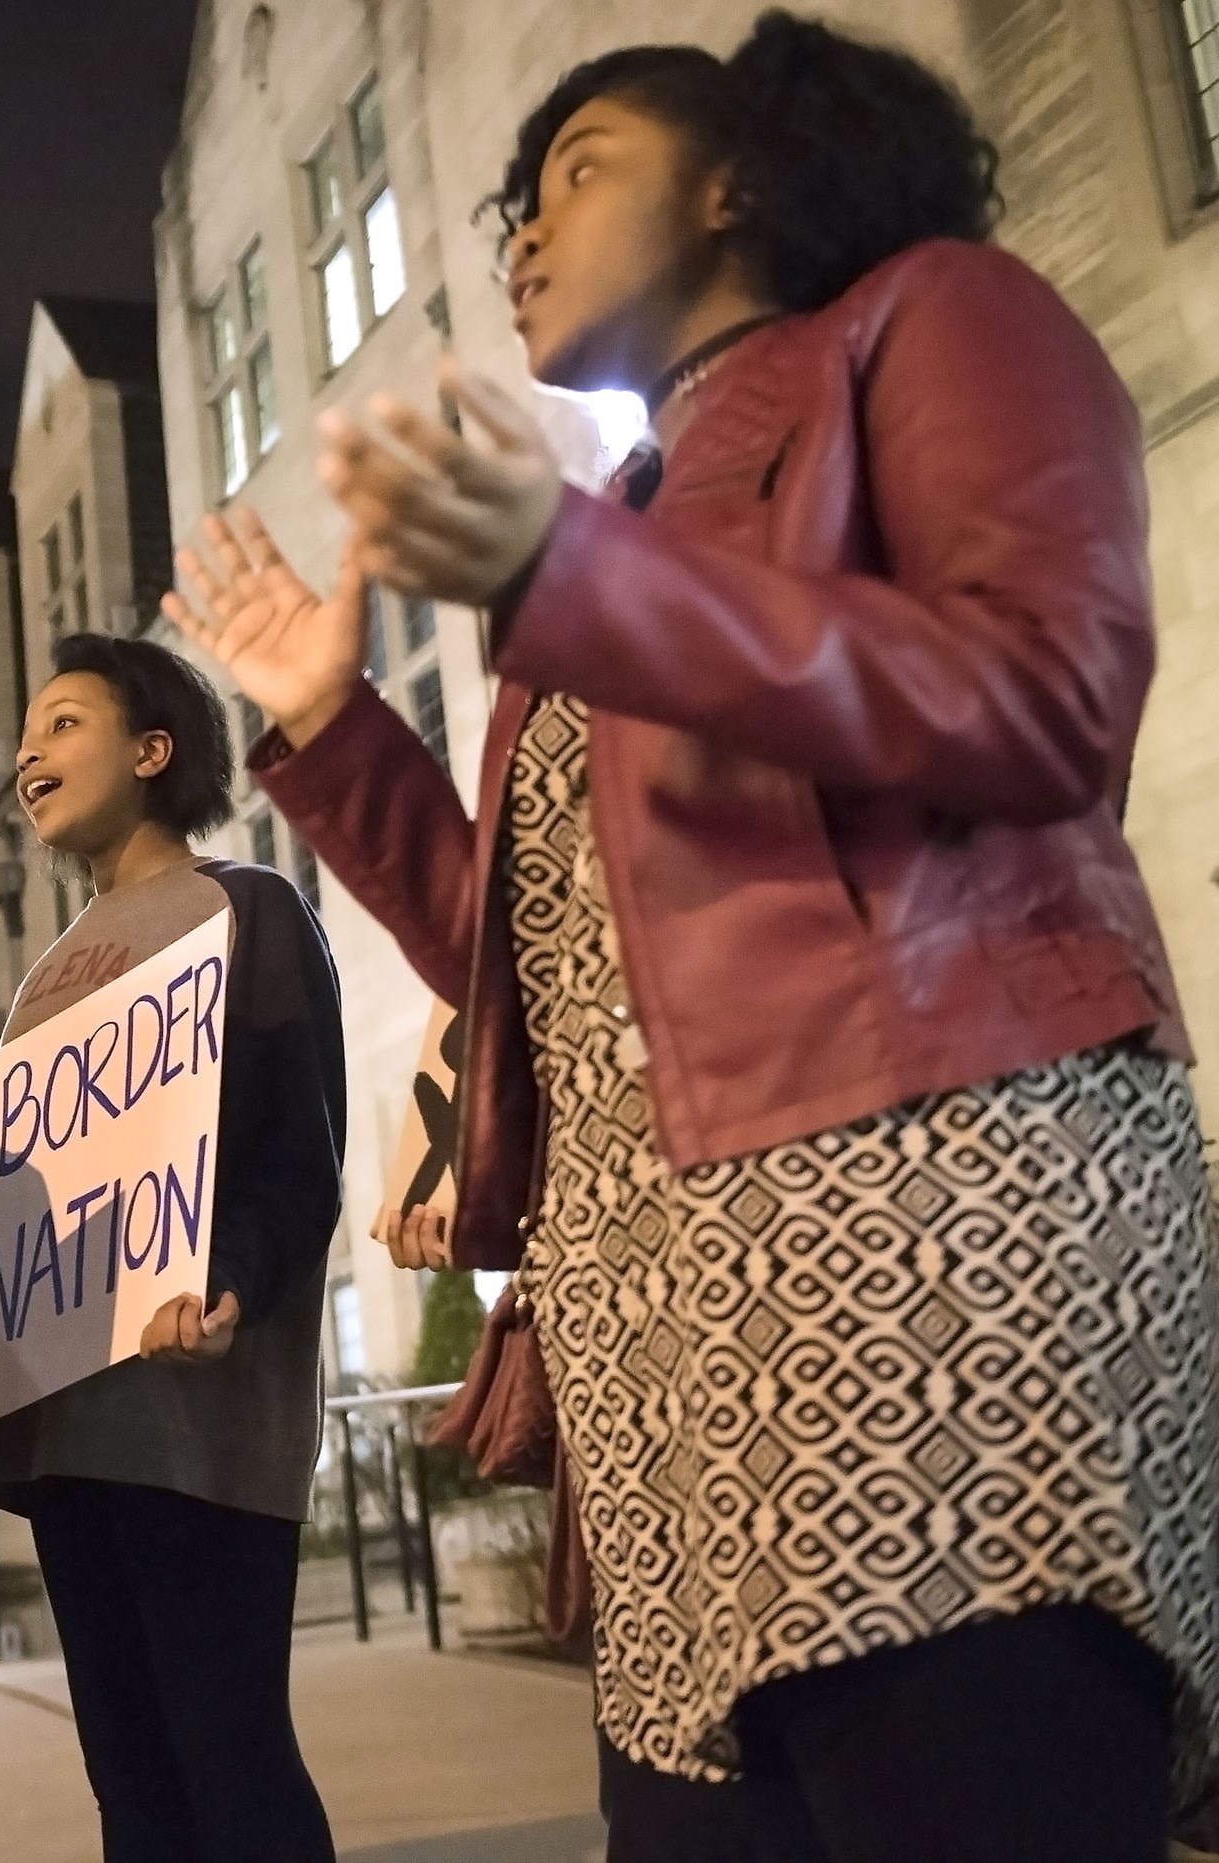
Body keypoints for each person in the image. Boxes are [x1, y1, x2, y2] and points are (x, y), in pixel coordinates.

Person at [164, 12, 1219, 1860]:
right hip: (666, 1335)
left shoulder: (931, 316)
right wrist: (331, 723)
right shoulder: (613, 525)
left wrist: (570, 576)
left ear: (739, 177)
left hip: (926, 1244)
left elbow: (1048, 688)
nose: (522, 229)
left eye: (578, 169)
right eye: (513, 202)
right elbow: (533, 947)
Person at [0, 633, 346, 1863]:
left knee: (231, 1765)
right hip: (66, 1431)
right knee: (129, 1785)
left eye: (63, 722)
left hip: (199, 1426)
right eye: (26, 732)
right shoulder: (43, 979)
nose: (28, 751)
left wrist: (227, 1280)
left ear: (151, 750)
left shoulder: (244, 909)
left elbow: (298, 1156)